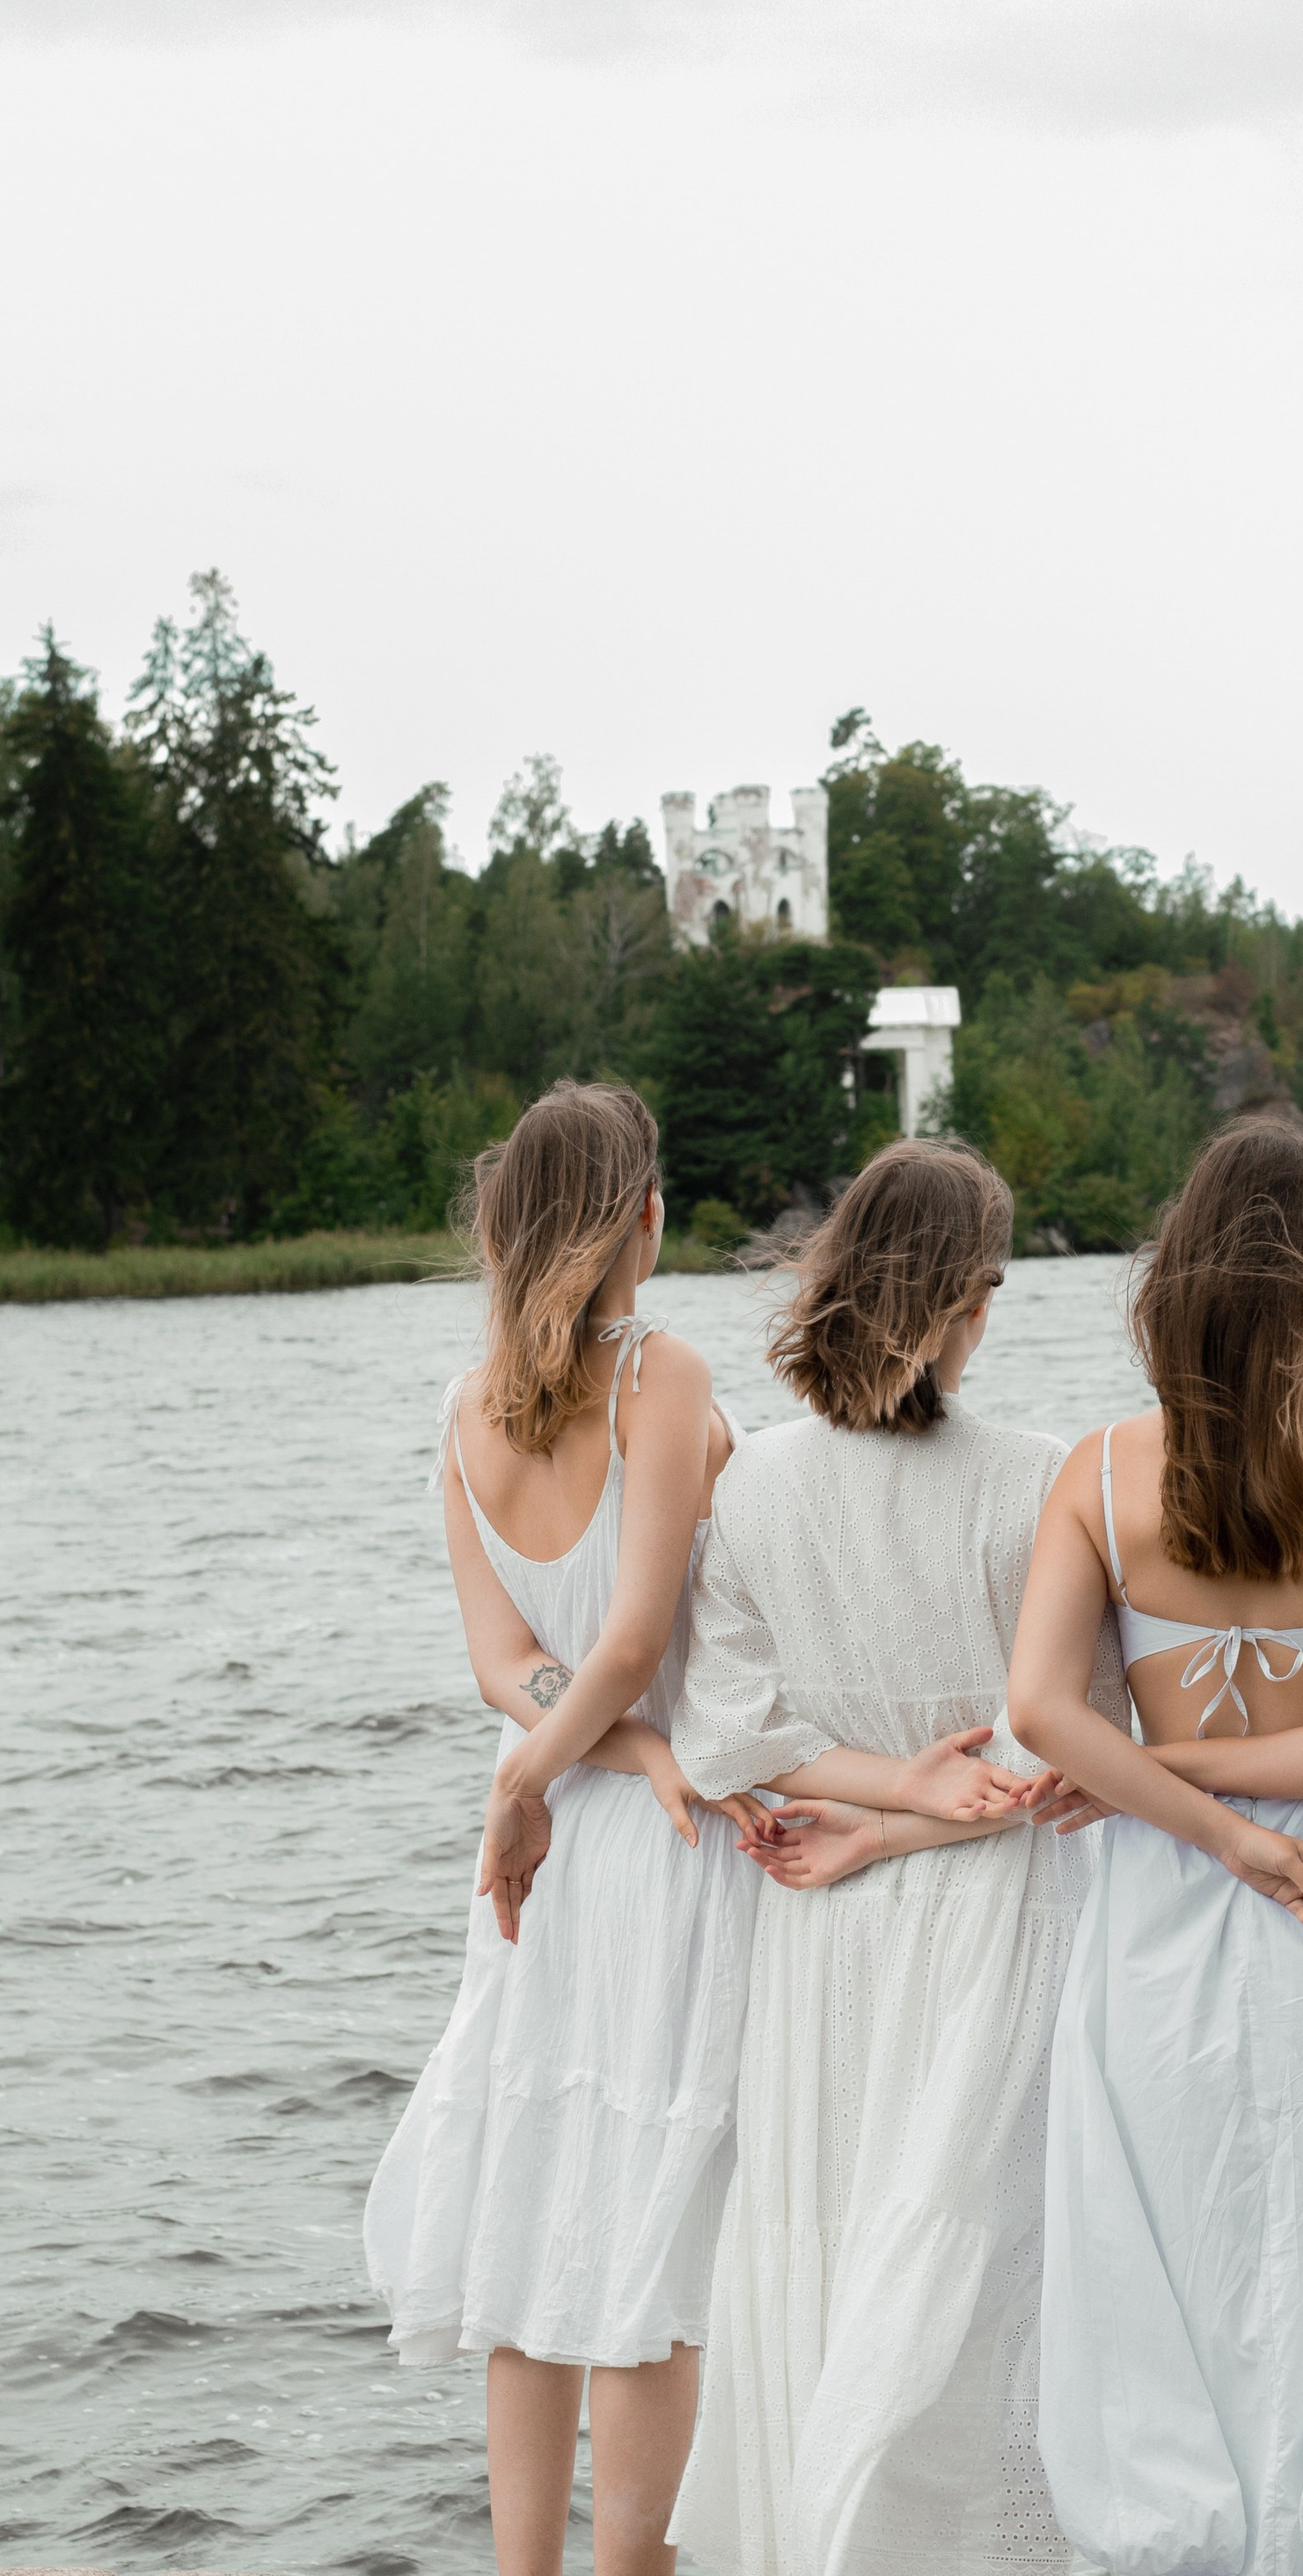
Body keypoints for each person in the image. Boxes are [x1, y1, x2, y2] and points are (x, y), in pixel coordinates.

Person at [1008, 1116, 1303, 2576]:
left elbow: (1037, 1711)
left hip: (1162, 1884)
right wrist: (1254, 1826)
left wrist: (1186, 1797)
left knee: (1171, 2246)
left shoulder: (1097, 1476)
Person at [663, 1138, 1125, 2576]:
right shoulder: (1045, 1479)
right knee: (989, 2275)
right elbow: (1081, 1750)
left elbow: (726, 1737)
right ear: (962, 1304)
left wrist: (874, 1816)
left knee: (832, 2242)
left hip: (824, 1930)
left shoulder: (754, 1486)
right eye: (986, 1289)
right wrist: (924, 1803)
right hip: (1000, 1924)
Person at [365, 1082, 762, 2576]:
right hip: (653, 1845)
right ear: (638, 1222)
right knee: (646, 2229)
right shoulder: (660, 1372)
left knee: (538, 2210)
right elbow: (641, 1627)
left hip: (551, 1849)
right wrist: (625, 1748)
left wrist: (543, 1767)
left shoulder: (470, 1407)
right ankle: (627, 2570)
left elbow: (505, 1665)